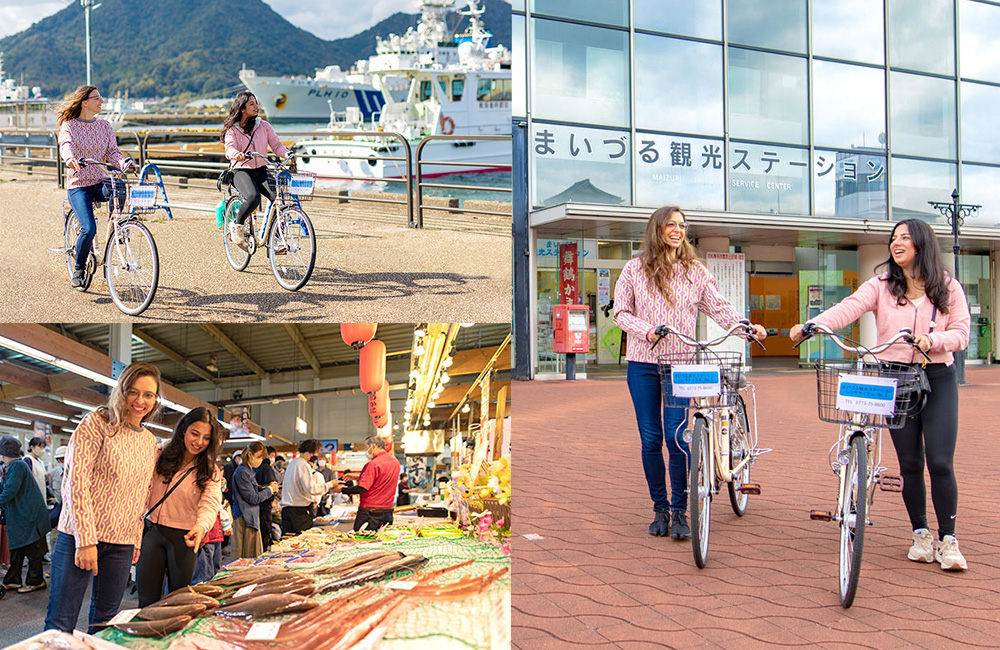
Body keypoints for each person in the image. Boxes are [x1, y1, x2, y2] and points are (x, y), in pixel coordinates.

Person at [790, 218, 971, 571]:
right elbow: (849, 308)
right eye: (893, 238)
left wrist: (935, 341)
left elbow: (961, 333)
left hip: (938, 376)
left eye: (905, 237)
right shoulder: (882, 285)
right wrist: (814, 326)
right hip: (895, 377)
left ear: (922, 244)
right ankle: (920, 533)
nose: (896, 243)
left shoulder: (947, 287)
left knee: (940, 462)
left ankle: (948, 538)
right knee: (910, 464)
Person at [613, 206, 767, 540]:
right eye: (671, 224)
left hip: (681, 366)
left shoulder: (694, 271)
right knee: (651, 439)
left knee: (677, 437)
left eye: (682, 225)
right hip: (642, 365)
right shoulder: (634, 269)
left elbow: (720, 307)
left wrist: (746, 328)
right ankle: (660, 508)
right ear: (657, 229)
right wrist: (648, 330)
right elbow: (620, 313)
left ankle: (682, 511)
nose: (678, 230)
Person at [44, 361, 161, 634]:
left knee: (106, 620)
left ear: (156, 399)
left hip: (121, 544)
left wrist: (135, 540)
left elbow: (141, 494)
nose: (140, 401)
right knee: (61, 622)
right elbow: (76, 483)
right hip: (79, 537)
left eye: (148, 395)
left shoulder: (148, 441)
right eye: (133, 392)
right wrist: (86, 541)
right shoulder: (96, 424)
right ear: (121, 391)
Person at [135, 406, 223, 606]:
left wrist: (202, 526)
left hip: (184, 537)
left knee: (179, 600)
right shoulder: (158, 454)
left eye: (206, 438)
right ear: (183, 429)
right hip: (151, 532)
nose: (199, 442)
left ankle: (175, 638)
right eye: (194, 433)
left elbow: (210, 503)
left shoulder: (210, 471)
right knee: (147, 600)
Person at [56, 85, 135, 289]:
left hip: (99, 181)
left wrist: (124, 163)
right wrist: (70, 158)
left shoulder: (105, 126)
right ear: (85, 102)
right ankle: (79, 269)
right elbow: (65, 145)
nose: (102, 102)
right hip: (79, 185)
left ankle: (115, 226)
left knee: (118, 185)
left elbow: (113, 152)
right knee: (88, 228)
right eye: (97, 98)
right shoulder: (69, 125)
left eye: (101, 98)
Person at [220, 90, 291, 248]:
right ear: (242, 108)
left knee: (278, 198)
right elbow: (229, 149)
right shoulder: (233, 129)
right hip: (241, 170)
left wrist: (287, 154)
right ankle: (236, 225)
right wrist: (237, 154)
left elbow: (276, 145)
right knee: (253, 197)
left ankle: (277, 237)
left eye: (256, 103)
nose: (256, 106)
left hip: (261, 170)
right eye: (251, 104)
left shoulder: (263, 125)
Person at [0, 436, 51, 593]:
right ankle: (13, 580)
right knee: (18, 549)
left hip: (29, 517)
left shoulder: (18, 466)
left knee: (32, 550)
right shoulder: (14, 466)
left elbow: (9, 491)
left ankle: (36, 581)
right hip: (23, 516)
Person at [332, 436, 401, 533]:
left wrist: (342, 489)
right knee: (383, 541)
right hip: (387, 512)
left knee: (362, 541)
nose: (365, 450)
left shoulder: (372, 464)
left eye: (366, 446)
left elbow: (362, 488)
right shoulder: (395, 462)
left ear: (373, 446)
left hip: (370, 513)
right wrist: (359, 476)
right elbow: (381, 478)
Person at [231, 442, 278, 559]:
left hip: (250, 517)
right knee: (245, 558)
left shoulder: (249, 471)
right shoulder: (242, 472)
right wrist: (270, 490)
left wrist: (267, 488)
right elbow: (253, 498)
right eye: (258, 457)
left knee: (252, 556)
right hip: (244, 518)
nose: (260, 460)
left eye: (262, 458)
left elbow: (253, 492)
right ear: (249, 454)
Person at [280, 439, 335, 536]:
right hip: (299, 512)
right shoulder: (303, 464)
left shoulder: (293, 463)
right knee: (303, 543)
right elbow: (310, 488)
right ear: (313, 451)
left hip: (287, 510)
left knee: (288, 543)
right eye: (317, 451)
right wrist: (330, 484)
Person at [254, 446, 278, 553]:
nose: (272, 458)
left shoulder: (251, 467)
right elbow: (273, 487)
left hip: (253, 507)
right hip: (264, 506)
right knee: (264, 536)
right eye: (271, 456)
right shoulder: (267, 468)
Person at [47, 446, 67, 530]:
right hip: (58, 510)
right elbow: (51, 488)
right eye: (59, 459)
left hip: (72, 512)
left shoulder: (78, 473)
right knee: (54, 538)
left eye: (63, 458)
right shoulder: (53, 474)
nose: (61, 461)